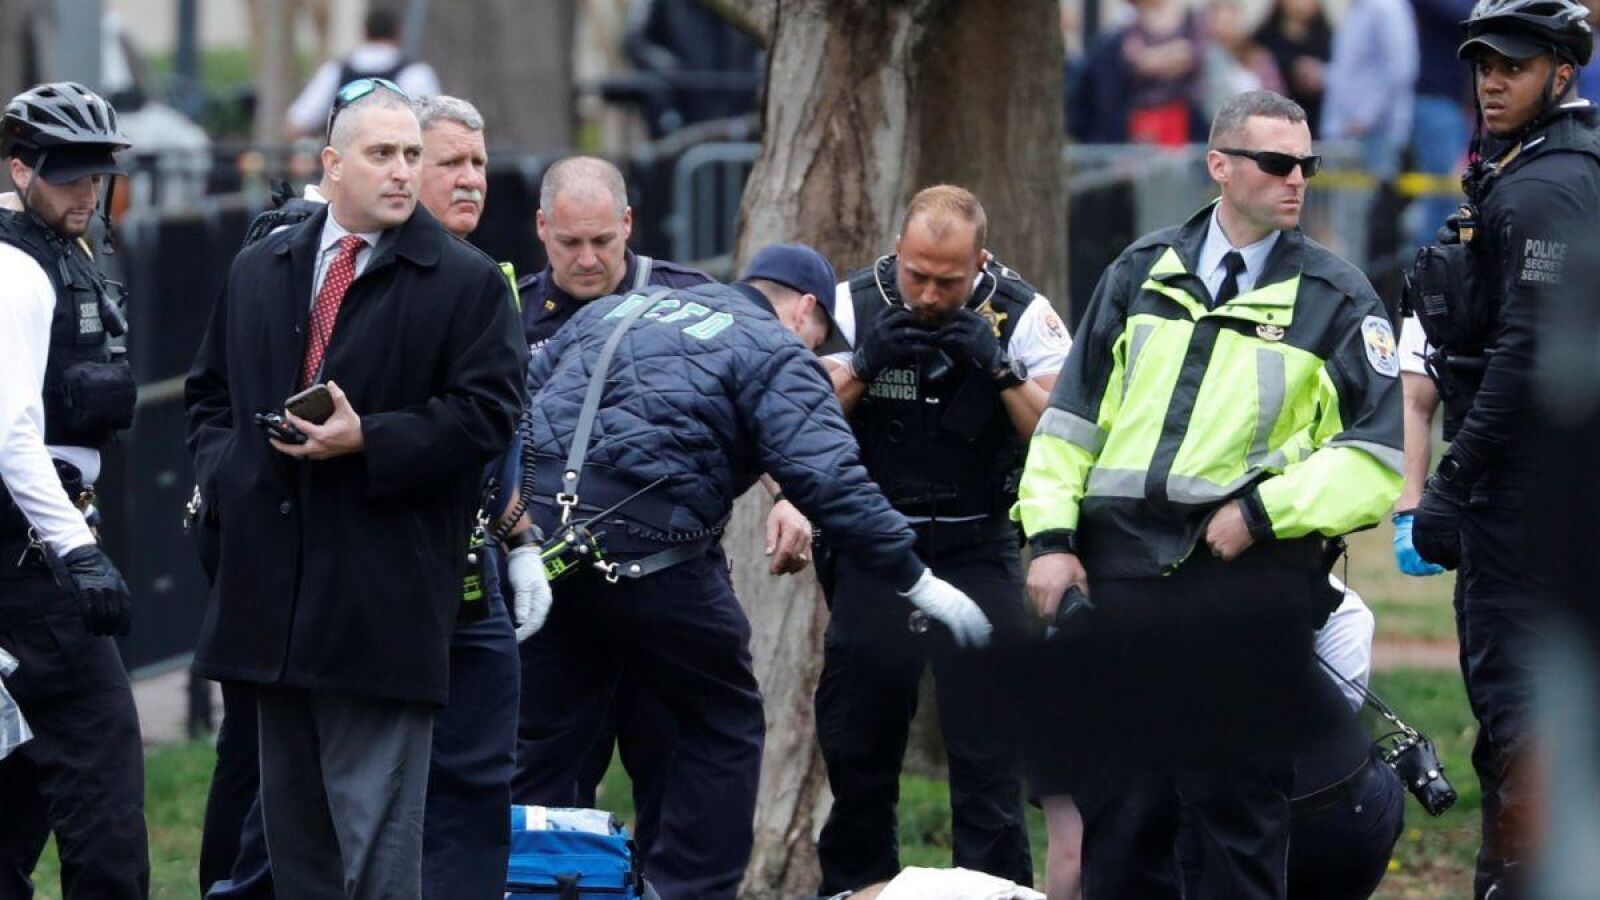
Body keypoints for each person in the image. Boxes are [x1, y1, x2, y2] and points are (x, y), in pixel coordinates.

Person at [508, 243, 992, 900]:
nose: (817, 352)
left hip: (544, 558)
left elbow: (515, 412)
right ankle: (686, 893)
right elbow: (830, 478)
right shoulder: (774, 346)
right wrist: (917, 578)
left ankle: (524, 884)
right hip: (658, 557)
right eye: (820, 339)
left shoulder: (612, 312)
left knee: (541, 740)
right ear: (805, 311)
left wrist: (516, 540)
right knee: (720, 724)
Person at [1014, 89, 1403, 899]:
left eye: (1307, 164)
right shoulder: (1139, 271)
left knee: (1236, 824)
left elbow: (1373, 458)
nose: (1298, 180)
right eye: (1277, 162)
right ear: (1219, 165)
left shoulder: (1337, 298)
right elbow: (1069, 423)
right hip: (1122, 581)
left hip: (1245, 585)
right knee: (1122, 820)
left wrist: (1260, 514)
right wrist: (1050, 540)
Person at [184, 81, 525, 897]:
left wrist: (368, 437)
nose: (403, 171)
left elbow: (487, 417)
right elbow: (209, 395)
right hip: (273, 606)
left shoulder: (468, 282)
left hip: (382, 607)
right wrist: (228, 474)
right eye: (382, 154)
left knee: (376, 854)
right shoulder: (262, 265)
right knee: (296, 849)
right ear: (332, 165)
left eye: (411, 153)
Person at [810, 185, 1068, 894]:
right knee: (858, 746)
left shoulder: (1023, 313)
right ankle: (857, 889)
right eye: (916, 274)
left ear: (979, 262)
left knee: (990, 758)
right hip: (876, 550)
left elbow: (1059, 435)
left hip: (977, 546)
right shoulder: (850, 304)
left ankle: (994, 891)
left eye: (947, 282)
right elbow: (800, 421)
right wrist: (863, 364)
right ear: (897, 249)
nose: (927, 295)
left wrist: (1000, 369)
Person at [1410, 3, 1600, 895]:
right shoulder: (1533, 167)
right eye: (1482, 65)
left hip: (1527, 502)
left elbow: (1525, 358)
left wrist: (1451, 482)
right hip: (1545, 490)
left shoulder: (1543, 188)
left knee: (1523, 725)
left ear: (1562, 72)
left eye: (1513, 67)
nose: (1491, 82)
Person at [0, 80, 149, 900]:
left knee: (17, 793)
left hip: (31, 560)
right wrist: (77, 552)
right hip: (36, 572)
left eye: (96, 175)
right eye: (67, 175)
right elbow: (11, 434)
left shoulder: (57, 248)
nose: (86, 192)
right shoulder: (15, 268)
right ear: (21, 169)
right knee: (105, 795)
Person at [411, 92, 529, 900]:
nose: (470, 178)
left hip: (475, 573)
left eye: (479, 163)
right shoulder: (376, 274)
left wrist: (521, 541)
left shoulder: (492, 278)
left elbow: (503, 435)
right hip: (396, 570)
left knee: (482, 784)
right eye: (450, 161)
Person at [285, 7, 440, 139]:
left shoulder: (336, 71)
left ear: (364, 32)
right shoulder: (416, 74)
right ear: (398, 33)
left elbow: (297, 123)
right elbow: (434, 124)